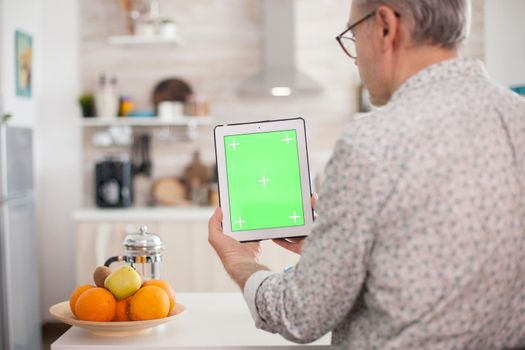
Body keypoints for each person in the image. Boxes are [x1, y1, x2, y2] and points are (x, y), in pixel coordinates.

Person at [208, 0, 525, 348]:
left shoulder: (371, 143)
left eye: (353, 36)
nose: (356, 57)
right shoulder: (518, 118)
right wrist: (332, 254)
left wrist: (238, 260)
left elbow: (299, 315)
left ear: (386, 26)